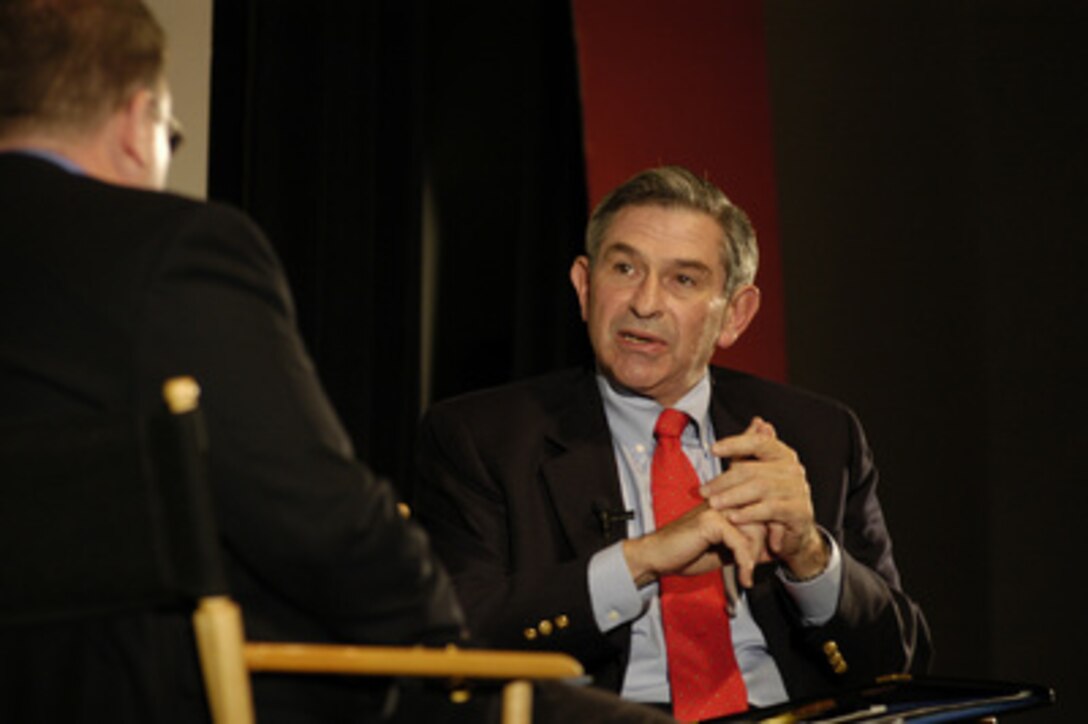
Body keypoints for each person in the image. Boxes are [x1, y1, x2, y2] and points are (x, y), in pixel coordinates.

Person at [0, 2, 674, 723]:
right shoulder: (173, 249)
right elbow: (321, 524)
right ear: (139, 123)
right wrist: (444, 649)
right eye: (172, 133)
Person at [414, 165, 932, 721]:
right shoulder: (484, 437)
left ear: (735, 314)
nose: (645, 302)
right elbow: (454, 636)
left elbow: (899, 662)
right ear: (585, 288)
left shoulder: (820, 434)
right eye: (625, 268)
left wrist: (807, 552)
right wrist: (641, 559)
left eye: (683, 279)